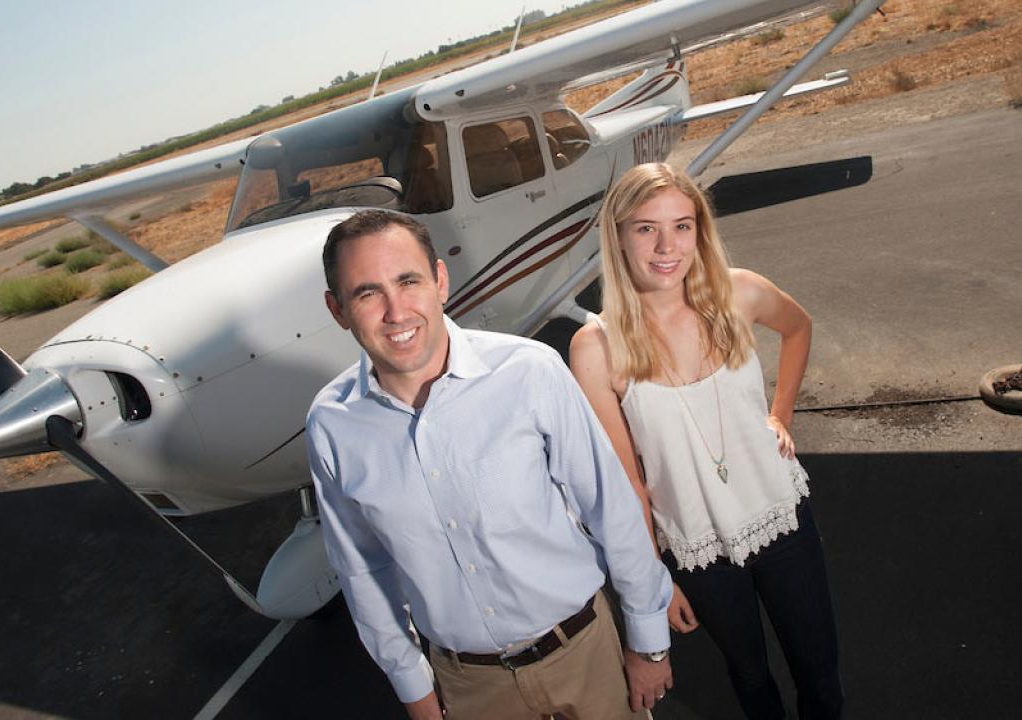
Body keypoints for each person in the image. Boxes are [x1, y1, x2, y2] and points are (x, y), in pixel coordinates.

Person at [306, 209, 675, 720]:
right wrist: (413, 689)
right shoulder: (331, 424)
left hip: (585, 655)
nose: (395, 311)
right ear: (338, 309)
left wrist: (648, 641)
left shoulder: (529, 371)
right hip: (468, 687)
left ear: (439, 279)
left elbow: (609, 507)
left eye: (408, 280)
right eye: (367, 293)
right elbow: (362, 567)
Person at [569, 163, 843, 720]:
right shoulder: (595, 348)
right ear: (618, 236)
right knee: (749, 676)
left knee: (819, 672)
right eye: (646, 228)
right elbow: (627, 486)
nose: (666, 246)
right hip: (698, 550)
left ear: (700, 230)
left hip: (781, 518)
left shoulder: (739, 293)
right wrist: (655, 583)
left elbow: (798, 328)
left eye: (682, 225)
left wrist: (780, 414)